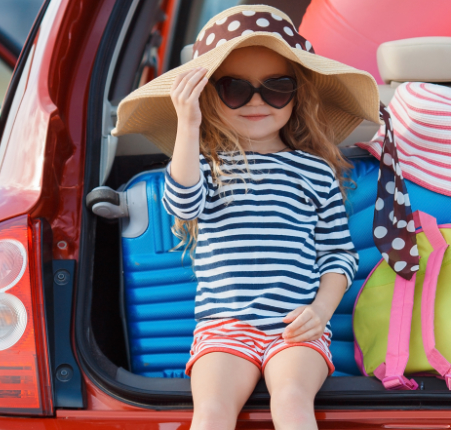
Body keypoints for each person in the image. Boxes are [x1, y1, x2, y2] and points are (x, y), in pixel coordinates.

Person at [111, 5, 386, 430]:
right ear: (208, 97)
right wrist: (188, 125)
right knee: (212, 411)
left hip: (295, 328)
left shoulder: (314, 171)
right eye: (234, 89)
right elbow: (182, 204)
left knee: (293, 401)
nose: (257, 101)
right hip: (224, 329)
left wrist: (321, 309)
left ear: (298, 94)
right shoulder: (204, 166)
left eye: (277, 88)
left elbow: (339, 255)